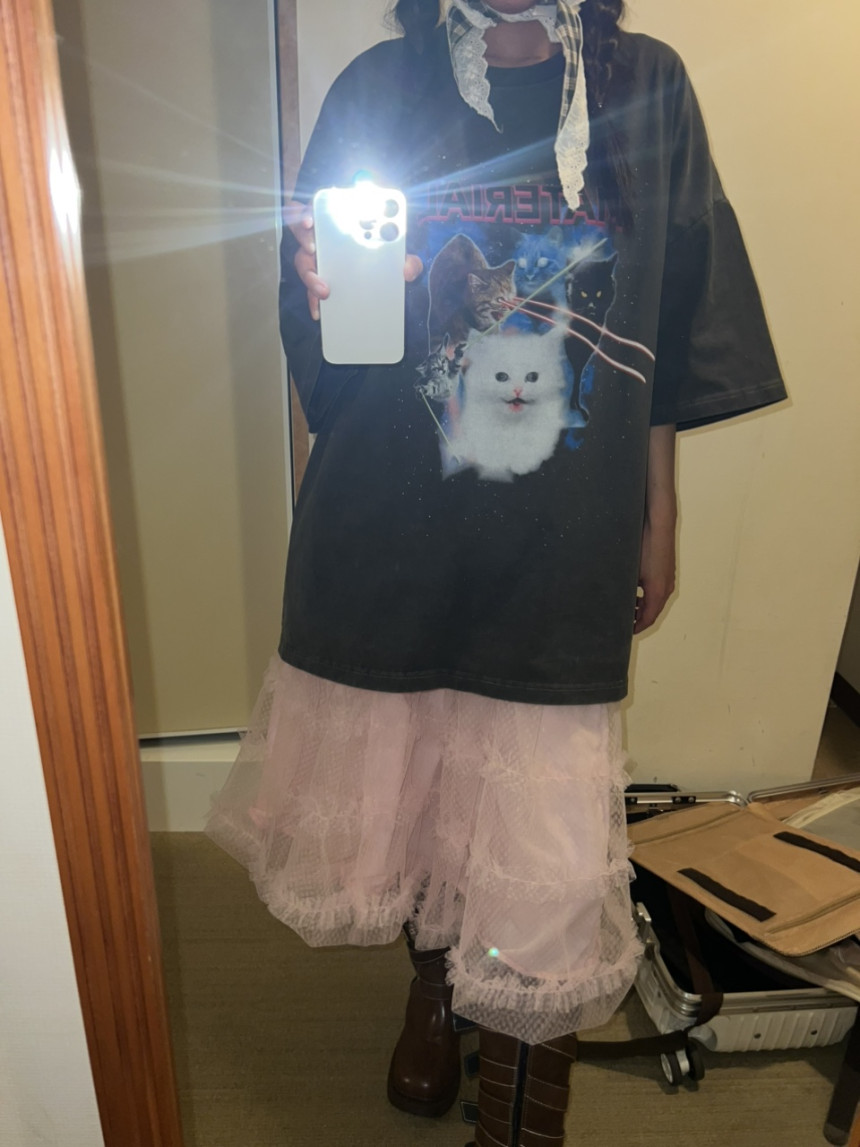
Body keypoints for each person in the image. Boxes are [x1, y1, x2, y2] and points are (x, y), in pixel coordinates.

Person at [206, 1, 786, 1142]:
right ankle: (434, 985)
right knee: (421, 789)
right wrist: (323, 288)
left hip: (561, 539)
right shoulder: (377, 88)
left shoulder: (648, 87)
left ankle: (522, 1107)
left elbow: (669, 322)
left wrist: (659, 509)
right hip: (393, 522)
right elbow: (326, 358)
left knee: (544, 843)